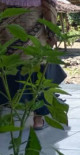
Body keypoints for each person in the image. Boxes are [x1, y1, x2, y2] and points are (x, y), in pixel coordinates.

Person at [0, 0, 58, 130]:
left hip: (6, 27)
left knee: (6, 70)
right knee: (37, 74)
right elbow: (49, 5)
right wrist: (52, 33)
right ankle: (38, 118)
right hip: (32, 28)